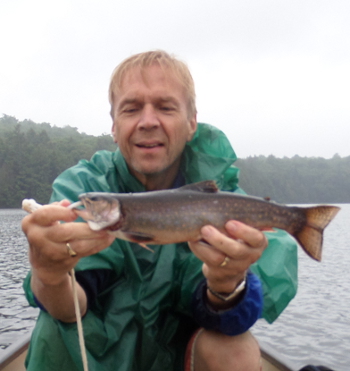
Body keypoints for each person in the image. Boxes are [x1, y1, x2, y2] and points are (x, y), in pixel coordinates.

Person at [22, 50, 298, 371]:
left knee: (234, 349)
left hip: (179, 356)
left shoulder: (223, 202)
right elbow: (69, 309)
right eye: (131, 108)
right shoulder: (81, 189)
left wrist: (227, 283)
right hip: (93, 356)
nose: (148, 121)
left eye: (165, 107)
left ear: (192, 122)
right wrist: (48, 274)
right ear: (114, 125)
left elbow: (232, 321)